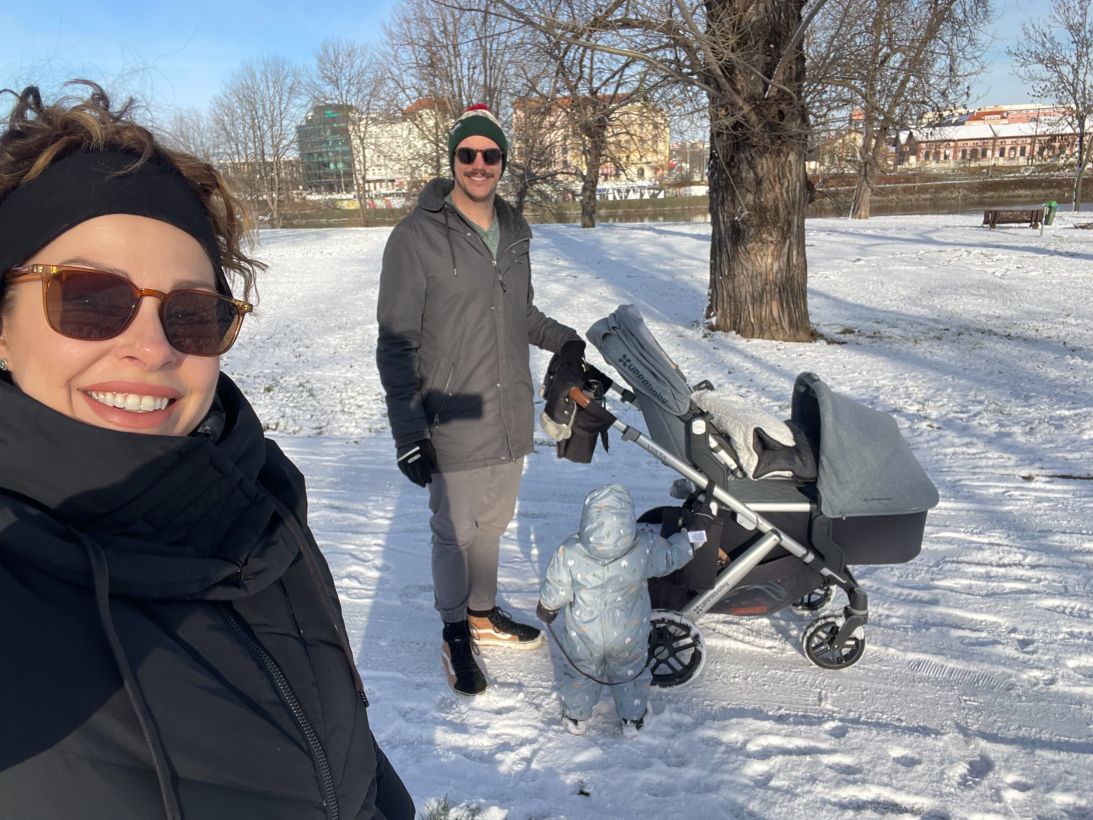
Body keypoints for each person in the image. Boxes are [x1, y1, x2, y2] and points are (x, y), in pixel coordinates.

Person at [0, 82, 413, 819]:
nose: (152, 347)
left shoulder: (260, 510)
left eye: (192, 313)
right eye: (91, 297)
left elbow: (344, 757)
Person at [376, 104, 589, 697]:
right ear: (452, 160)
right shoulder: (415, 236)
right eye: (467, 154)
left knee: (493, 524)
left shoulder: (516, 233)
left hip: (510, 410)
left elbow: (519, 314)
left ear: (502, 162)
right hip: (452, 412)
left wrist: (565, 339)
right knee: (455, 532)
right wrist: (407, 432)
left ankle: (483, 612)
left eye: (489, 155)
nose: (478, 164)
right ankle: (454, 632)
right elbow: (396, 343)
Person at [536, 484, 706, 736]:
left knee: (581, 671)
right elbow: (671, 556)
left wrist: (547, 608)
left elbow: (557, 588)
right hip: (628, 631)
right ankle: (633, 718)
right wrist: (689, 540)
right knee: (630, 673)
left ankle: (576, 717)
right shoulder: (643, 548)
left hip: (584, 634)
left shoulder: (570, 551)